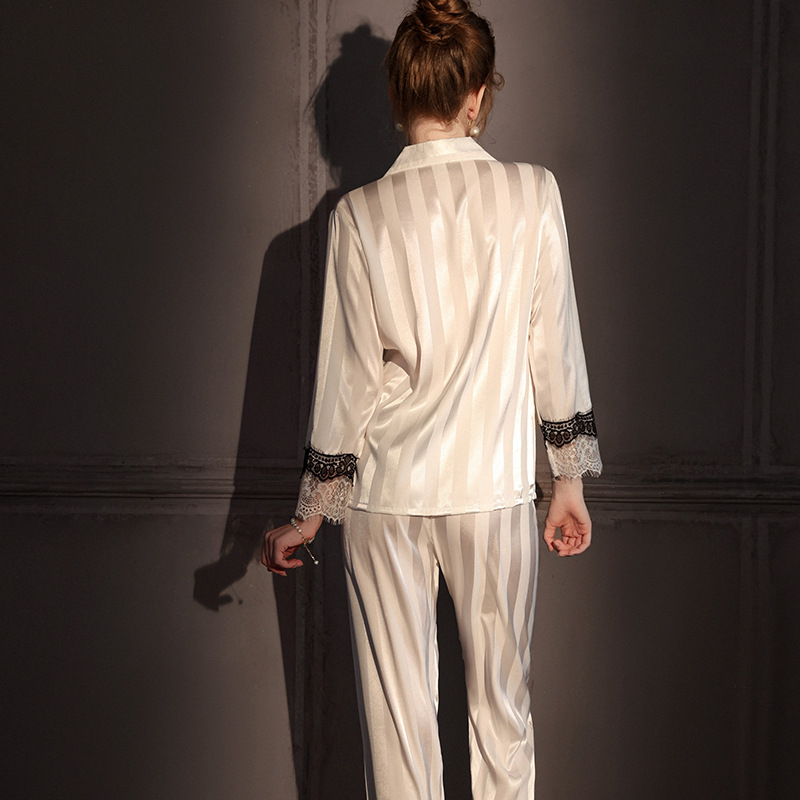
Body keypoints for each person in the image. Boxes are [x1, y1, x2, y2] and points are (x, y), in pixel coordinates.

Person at [262, 1, 602, 797]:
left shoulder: (359, 215)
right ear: (477, 95)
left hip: (386, 496)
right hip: (491, 492)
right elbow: (553, 342)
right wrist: (569, 482)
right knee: (504, 719)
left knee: (399, 736)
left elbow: (348, 379)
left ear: (398, 95)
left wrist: (310, 515)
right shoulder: (533, 194)